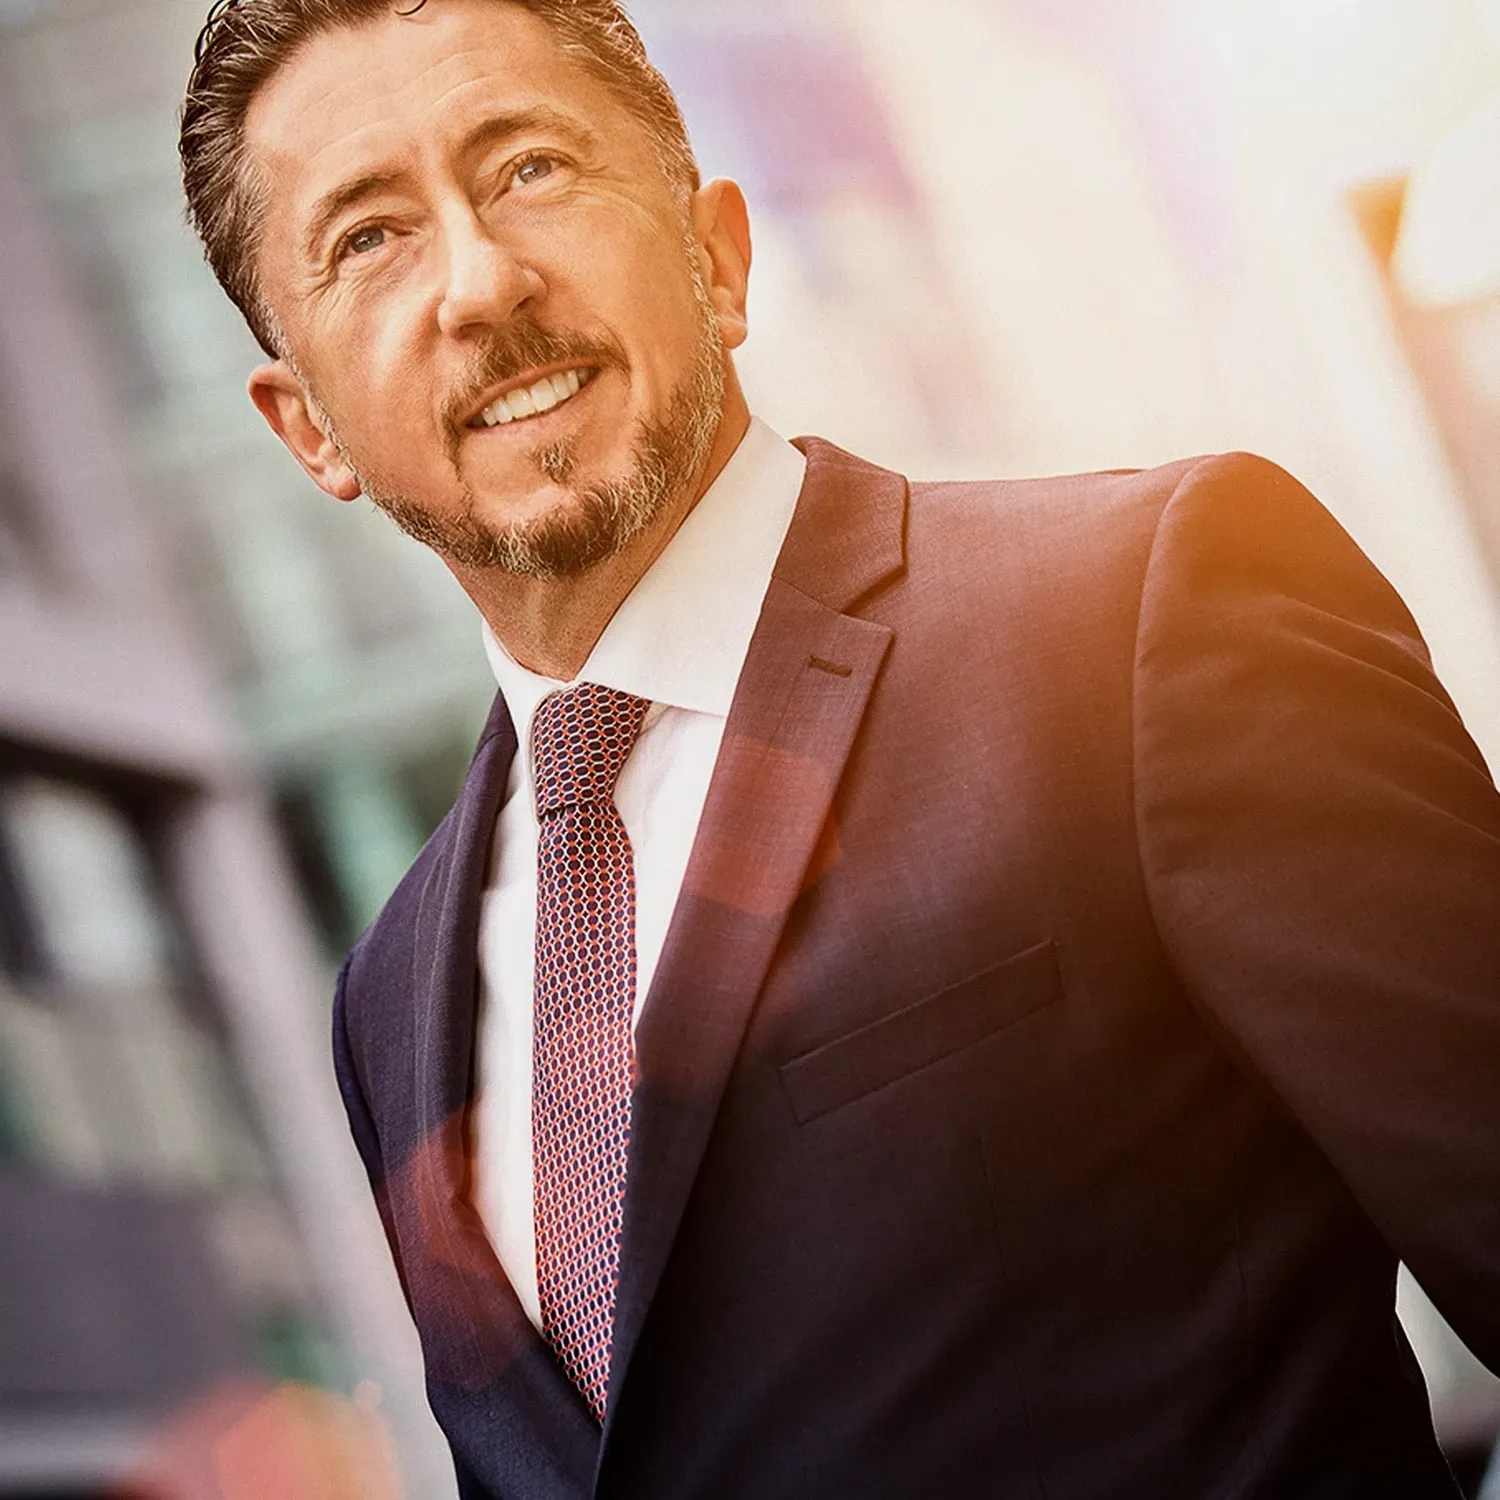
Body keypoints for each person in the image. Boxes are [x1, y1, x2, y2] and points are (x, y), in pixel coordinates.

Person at [178, 1, 1500, 1495]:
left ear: (719, 257)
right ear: (308, 432)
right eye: (368, 238)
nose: (480, 283)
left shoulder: (1140, 616)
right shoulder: (389, 1000)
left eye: (531, 168)